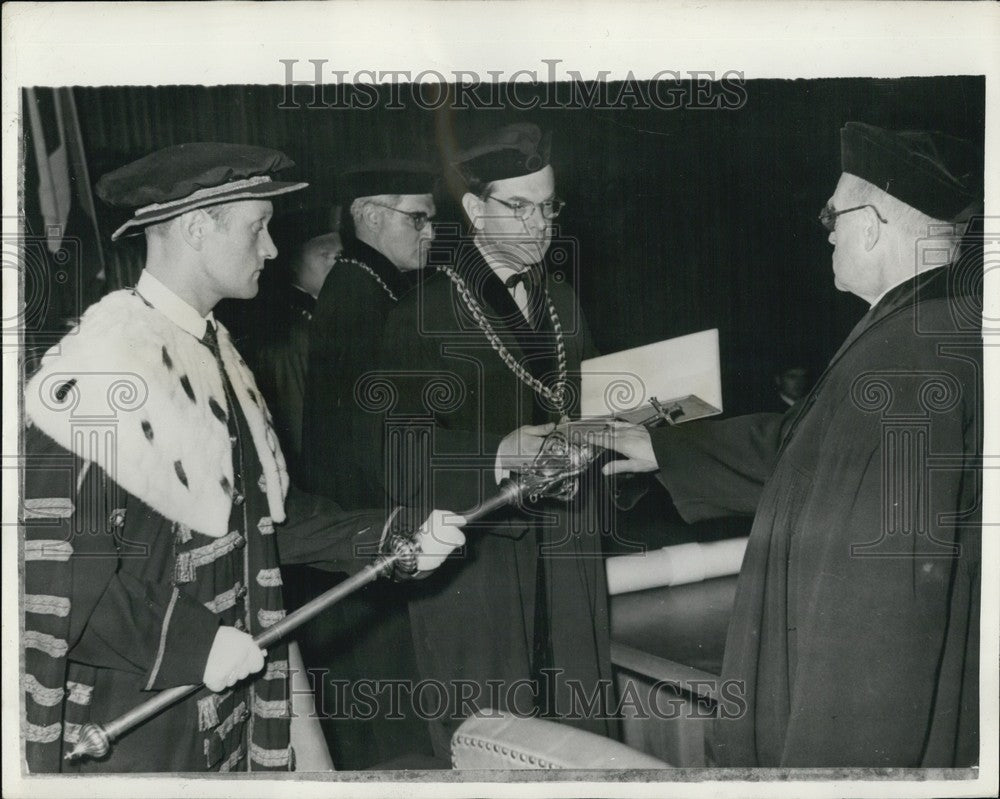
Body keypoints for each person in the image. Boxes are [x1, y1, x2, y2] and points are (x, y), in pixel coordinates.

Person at [20, 143, 465, 773]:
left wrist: (392, 537)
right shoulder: (103, 367)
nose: (273, 250)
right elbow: (51, 584)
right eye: (258, 227)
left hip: (222, 712)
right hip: (137, 731)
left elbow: (259, 518)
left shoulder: (215, 349)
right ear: (198, 228)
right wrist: (194, 646)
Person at [601, 122, 982, 767]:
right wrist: (665, 448)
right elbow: (803, 448)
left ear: (872, 224)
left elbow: (871, 622)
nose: (827, 228)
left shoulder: (901, 369)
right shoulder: (941, 325)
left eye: (833, 213)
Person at [378, 122, 614, 758]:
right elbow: (393, 457)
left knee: (579, 737)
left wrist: (618, 435)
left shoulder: (561, 298)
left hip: (565, 548)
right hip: (475, 559)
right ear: (475, 209)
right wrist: (499, 452)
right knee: (491, 740)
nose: (540, 224)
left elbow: (583, 405)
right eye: (519, 206)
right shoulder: (420, 314)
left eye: (548, 206)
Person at [301, 161, 435, 509]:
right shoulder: (355, 295)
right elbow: (368, 435)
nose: (431, 233)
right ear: (372, 217)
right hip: (375, 506)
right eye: (417, 218)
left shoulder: (367, 282)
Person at [255, 229, 343, 468]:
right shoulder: (292, 332)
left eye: (339, 255)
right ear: (292, 261)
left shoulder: (324, 316)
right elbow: (300, 429)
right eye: (325, 254)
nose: (335, 264)